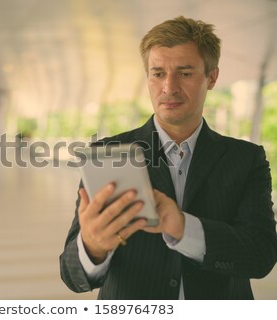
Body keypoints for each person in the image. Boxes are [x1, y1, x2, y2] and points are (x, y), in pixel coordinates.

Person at [59, 16, 277, 299]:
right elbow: (71, 275)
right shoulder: (105, 154)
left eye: (185, 73)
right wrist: (91, 247)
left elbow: (261, 255)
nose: (169, 87)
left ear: (211, 77)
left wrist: (185, 228)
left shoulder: (246, 159)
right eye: (158, 73)